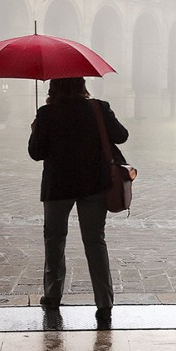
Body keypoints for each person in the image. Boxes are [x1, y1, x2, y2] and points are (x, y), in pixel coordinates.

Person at [28, 76, 129, 328]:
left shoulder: (47, 113)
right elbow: (122, 135)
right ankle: (104, 304)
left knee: (54, 241)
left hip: (58, 187)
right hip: (94, 185)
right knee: (95, 242)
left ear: (54, 88)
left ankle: (52, 296)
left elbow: (36, 153)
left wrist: (35, 129)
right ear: (82, 85)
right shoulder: (98, 108)